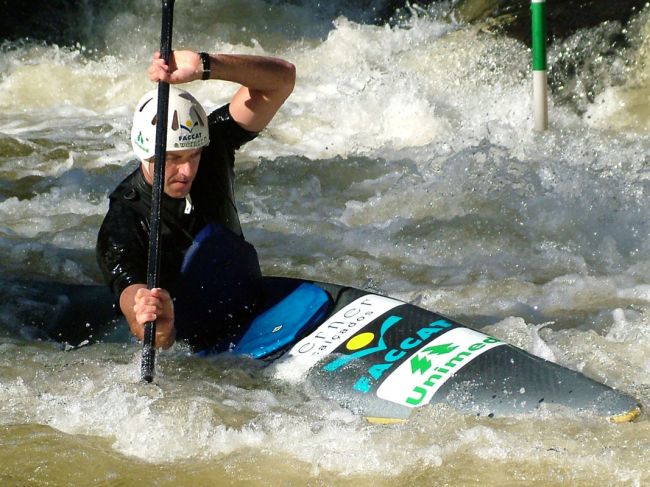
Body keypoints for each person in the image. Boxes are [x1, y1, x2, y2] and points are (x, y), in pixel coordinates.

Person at [96, 50, 296, 352]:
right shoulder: (123, 221)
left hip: (246, 301)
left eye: (194, 156)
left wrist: (205, 66)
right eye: (173, 159)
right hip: (191, 337)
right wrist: (155, 324)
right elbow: (138, 314)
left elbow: (282, 80)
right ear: (144, 153)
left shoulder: (211, 144)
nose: (187, 170)